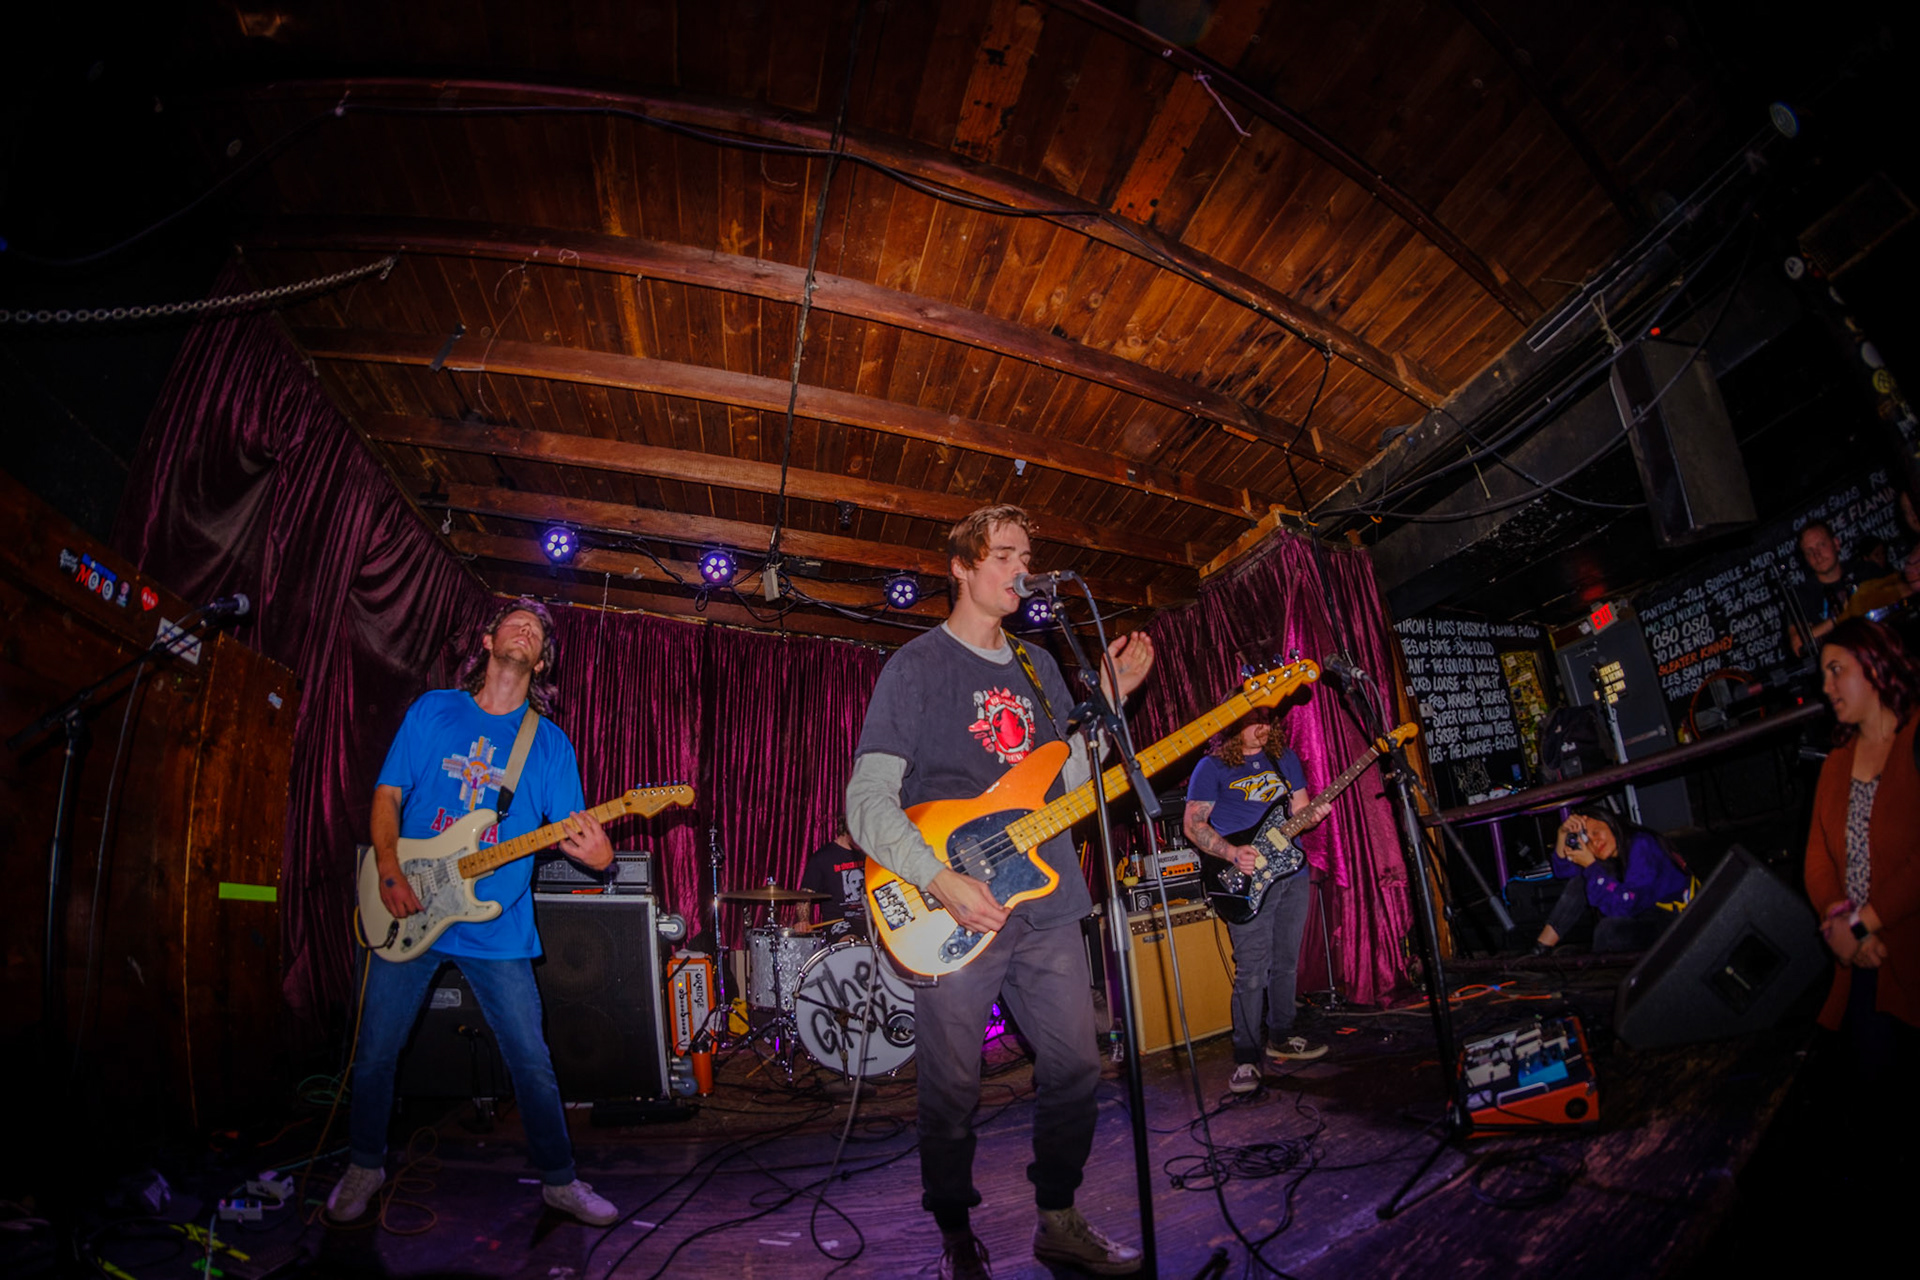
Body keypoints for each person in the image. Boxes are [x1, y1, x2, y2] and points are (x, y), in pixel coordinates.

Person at [846, 504, 1152, 1279]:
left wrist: (1110, 702)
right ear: (962, 566)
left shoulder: (1040, 666)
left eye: (1028, 556)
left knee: (1077, 1068)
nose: (1024, 569)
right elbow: (867, 801)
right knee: (952, 1089)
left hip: (1047, 902)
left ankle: (1058, 1216)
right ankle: (955, 1229)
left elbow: (1068, 780)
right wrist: (938, 878)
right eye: (1007, 554)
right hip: (952, 907)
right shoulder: (915, 667)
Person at [325, 600, 621, 1227]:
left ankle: (560, 1182)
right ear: (487, 641)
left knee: (531, 1062)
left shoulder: (549, 744)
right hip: (409, 902)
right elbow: (387, 793)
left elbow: (577, 834)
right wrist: (388, 869)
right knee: (375, 1052)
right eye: (515, 620)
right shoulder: (434, 710)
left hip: (499, 925)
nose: (526, 627)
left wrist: (602, 858)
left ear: (542, 661)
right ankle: (365, 1165)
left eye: (537, 629)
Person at [1183, 706, 1331, 1095]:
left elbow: (1299, 808)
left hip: (1291, 872)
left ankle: (1281, 1036)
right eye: (1253, 720)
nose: (1263, 727)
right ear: (1233, 724)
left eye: (1267, 719)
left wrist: (1313, 815)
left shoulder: (1284, 758)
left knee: (1286, 963)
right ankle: (1246, 1057)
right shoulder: (1212, 767)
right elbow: (1194, 824)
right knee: (1251, 970)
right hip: (1245, 879)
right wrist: (1232, 853)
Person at [1804, 617, 1920, 1088]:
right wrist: (1841, 921)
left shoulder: (1916, 738)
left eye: (1836, 670)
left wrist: (1861, 923)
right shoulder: (1837, 761)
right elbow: (1817, 860)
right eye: (1823, 675)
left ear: (1874, 665)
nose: (1827, 687)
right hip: (1863, 957)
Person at [1532, 806, 1689, 954]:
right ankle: (1541, 948)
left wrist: (1591, 866)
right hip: (1649, 916)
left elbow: (1628, 904)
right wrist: (1562, 834)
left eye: (1596, 832)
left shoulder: (1640, 843)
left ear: (1611, 824)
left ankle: (1600, 970)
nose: (1595, 842)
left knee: (1610, 930)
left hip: (1678, 921)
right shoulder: (1613, 856)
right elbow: (1563, 871)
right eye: (1587, 841)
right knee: (1583, 879)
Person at [1787, 521, 1877, 656]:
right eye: (1809, 551)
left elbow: (1901, 592)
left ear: (1836, 544)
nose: (1817, 554)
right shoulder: (1801, 595)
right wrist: (1839, 618)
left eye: (1821, 545)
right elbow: (1798, 645)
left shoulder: (1864, 571)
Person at [798, 814, 866, 933]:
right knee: (851, 940)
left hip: (869, 921)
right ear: (848, 827)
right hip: (839, 924)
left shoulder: (868, 855)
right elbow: (805, 894)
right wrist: (803, 920)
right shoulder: (823, 857)